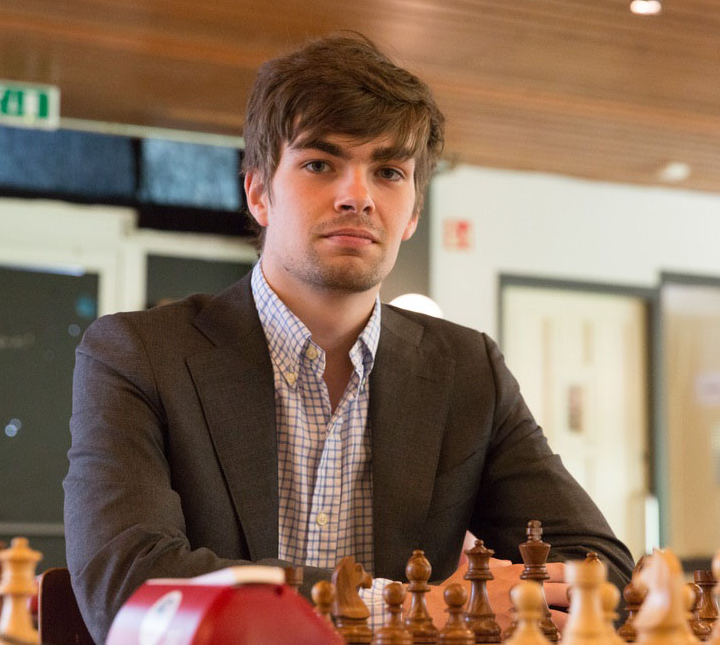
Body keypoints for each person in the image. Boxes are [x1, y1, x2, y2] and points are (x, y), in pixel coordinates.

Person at [63, 33, 634, 643]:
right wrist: (411, 607)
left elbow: (596, 559)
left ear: (413, 212)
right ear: (259, 191)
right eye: (319, 164)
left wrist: (501, 598)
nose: (356, 195)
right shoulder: (138, 355)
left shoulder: (468, 369)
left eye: (388, 171)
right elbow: (129, 587)